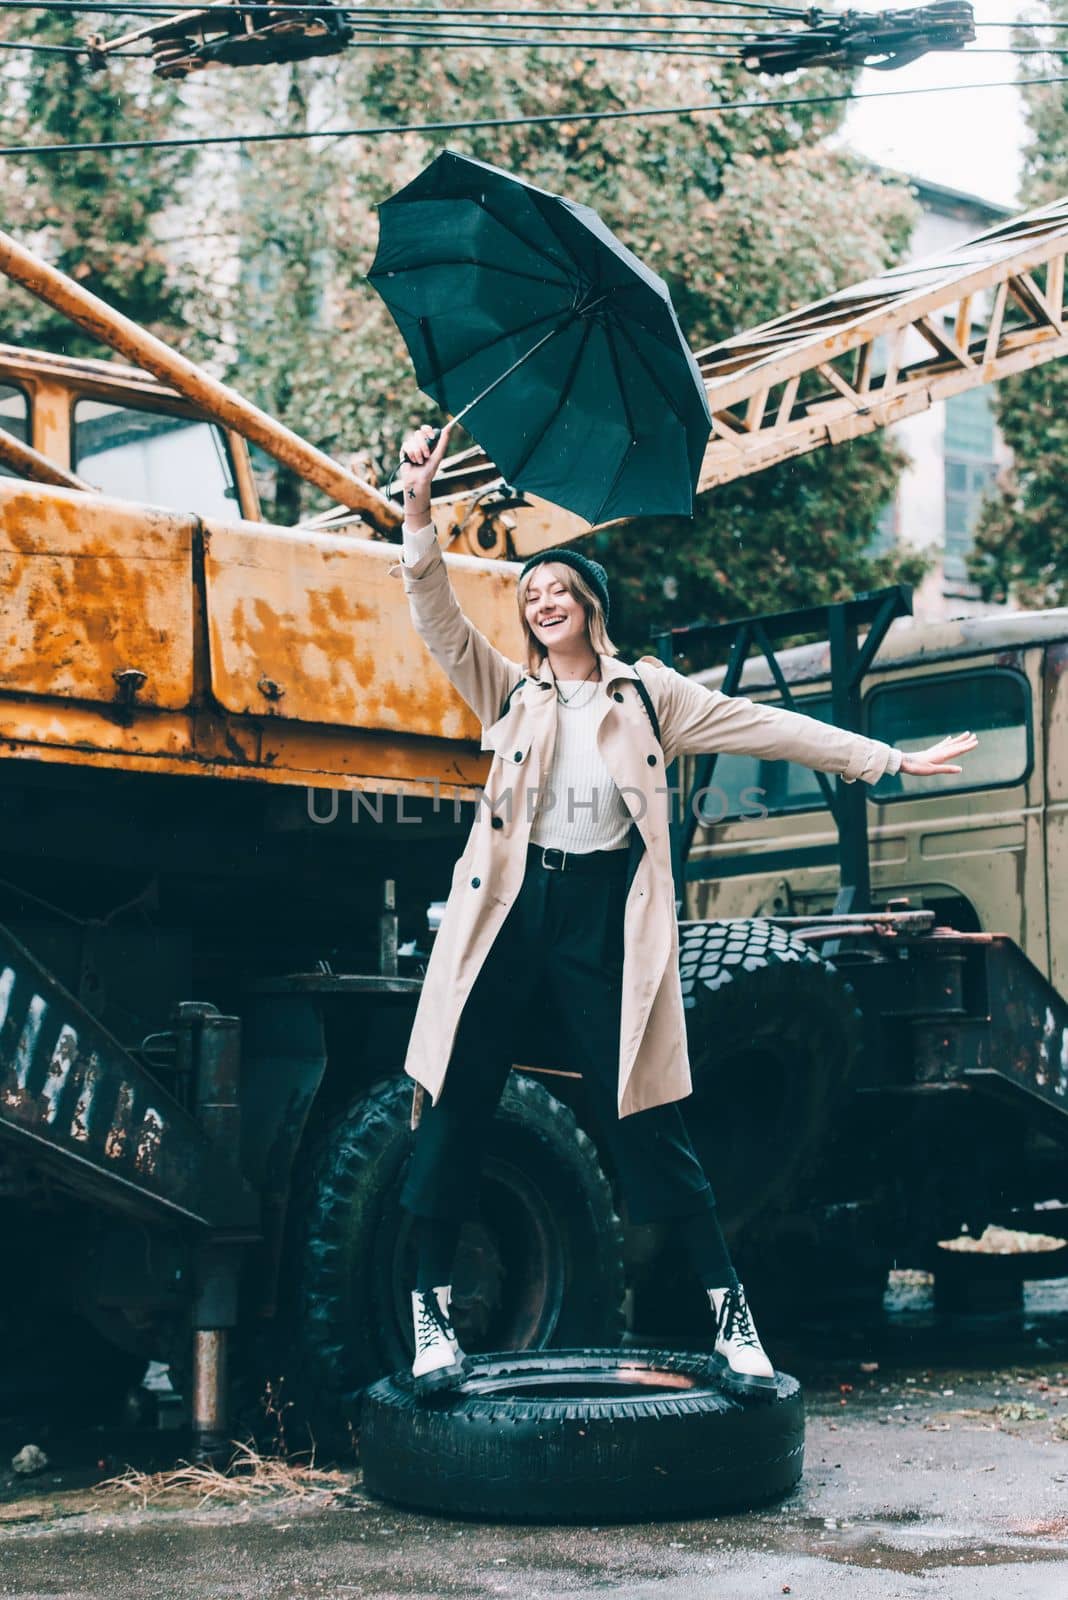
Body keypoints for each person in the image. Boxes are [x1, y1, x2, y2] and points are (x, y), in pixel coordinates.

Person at [392, 421, 979, 1394]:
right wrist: (416, 508)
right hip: (506, 913)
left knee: (650, 1115)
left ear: (590, 607)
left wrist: (885, 760)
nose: (539, 603)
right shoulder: (512, 696)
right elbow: (438, 615)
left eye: (556, 591)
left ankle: (730, 1320)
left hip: (602, 920)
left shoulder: (651, 696)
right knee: (457, 1101)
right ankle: (431, 1317)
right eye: (529, 593)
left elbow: (768, 723)